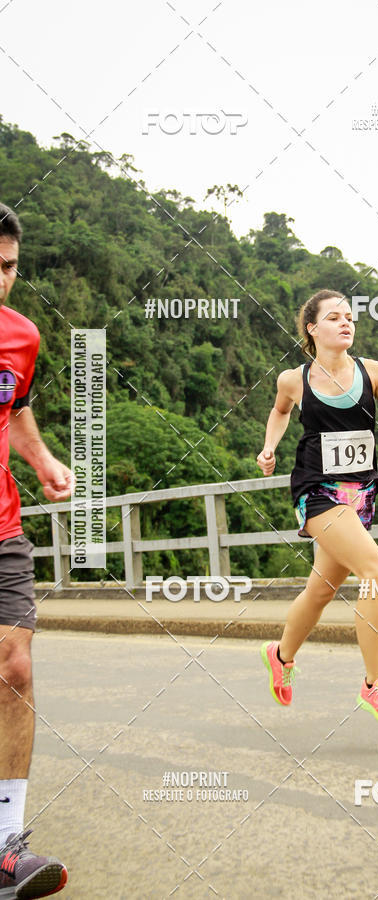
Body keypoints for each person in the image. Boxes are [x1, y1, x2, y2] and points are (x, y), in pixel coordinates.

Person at [256, 288, 378, 723]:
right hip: (317, 492)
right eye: (334, 317)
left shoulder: (373, 372)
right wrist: (269, 447)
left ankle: (280, 656)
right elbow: (280, 411)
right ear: (312, 328)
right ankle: (375, 686)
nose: (346, 322)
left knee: (321, 590)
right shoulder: (294, 379)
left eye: (349, 317)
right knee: (375, 573)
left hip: (360, 496)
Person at [0, 203, 72, 896]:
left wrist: (43, 459)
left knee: (14, 668)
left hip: (2, 528)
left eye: (8, 267)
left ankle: (4, 845)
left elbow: (15, 408)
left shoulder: (21, 336)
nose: (0, 280)